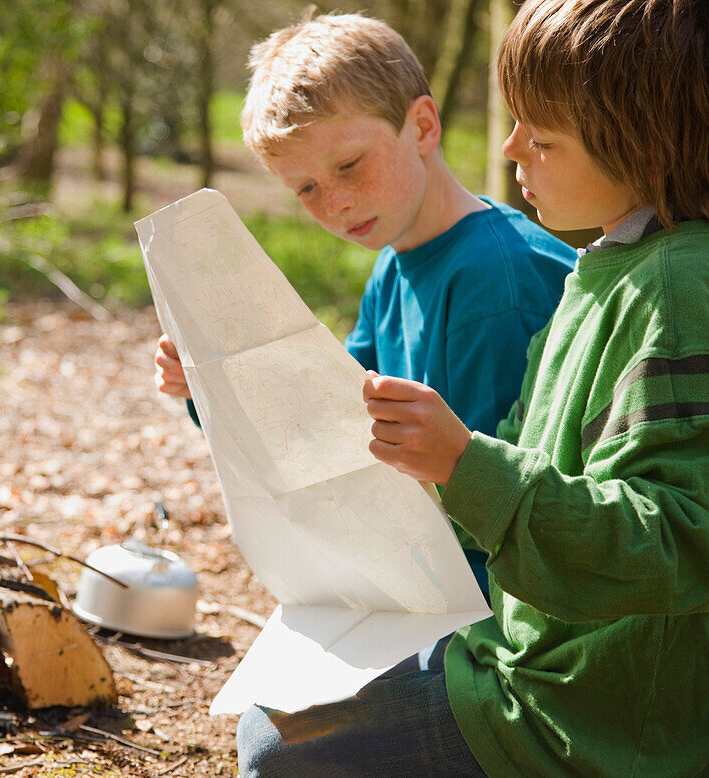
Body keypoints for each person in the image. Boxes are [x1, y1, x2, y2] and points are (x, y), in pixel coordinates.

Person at [240, 0, 709, 774]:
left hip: (593, 710)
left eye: (542, 134)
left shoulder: (674, 289)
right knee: (276, 704)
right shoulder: (609, 268)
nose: (508, 145)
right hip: (530, 651)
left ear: (639, 140)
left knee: (275, 745)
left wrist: (463, 464)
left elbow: (678, 541)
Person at [154, 13, 576, 601]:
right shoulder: (395, 262)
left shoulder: (495, 281)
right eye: (305, 188)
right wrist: (212, 386)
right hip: (419, 576)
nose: (335, 201)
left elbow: (503, 512)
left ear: (423, 127)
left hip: (489, 609)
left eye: (349, 165)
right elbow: (330, 421)